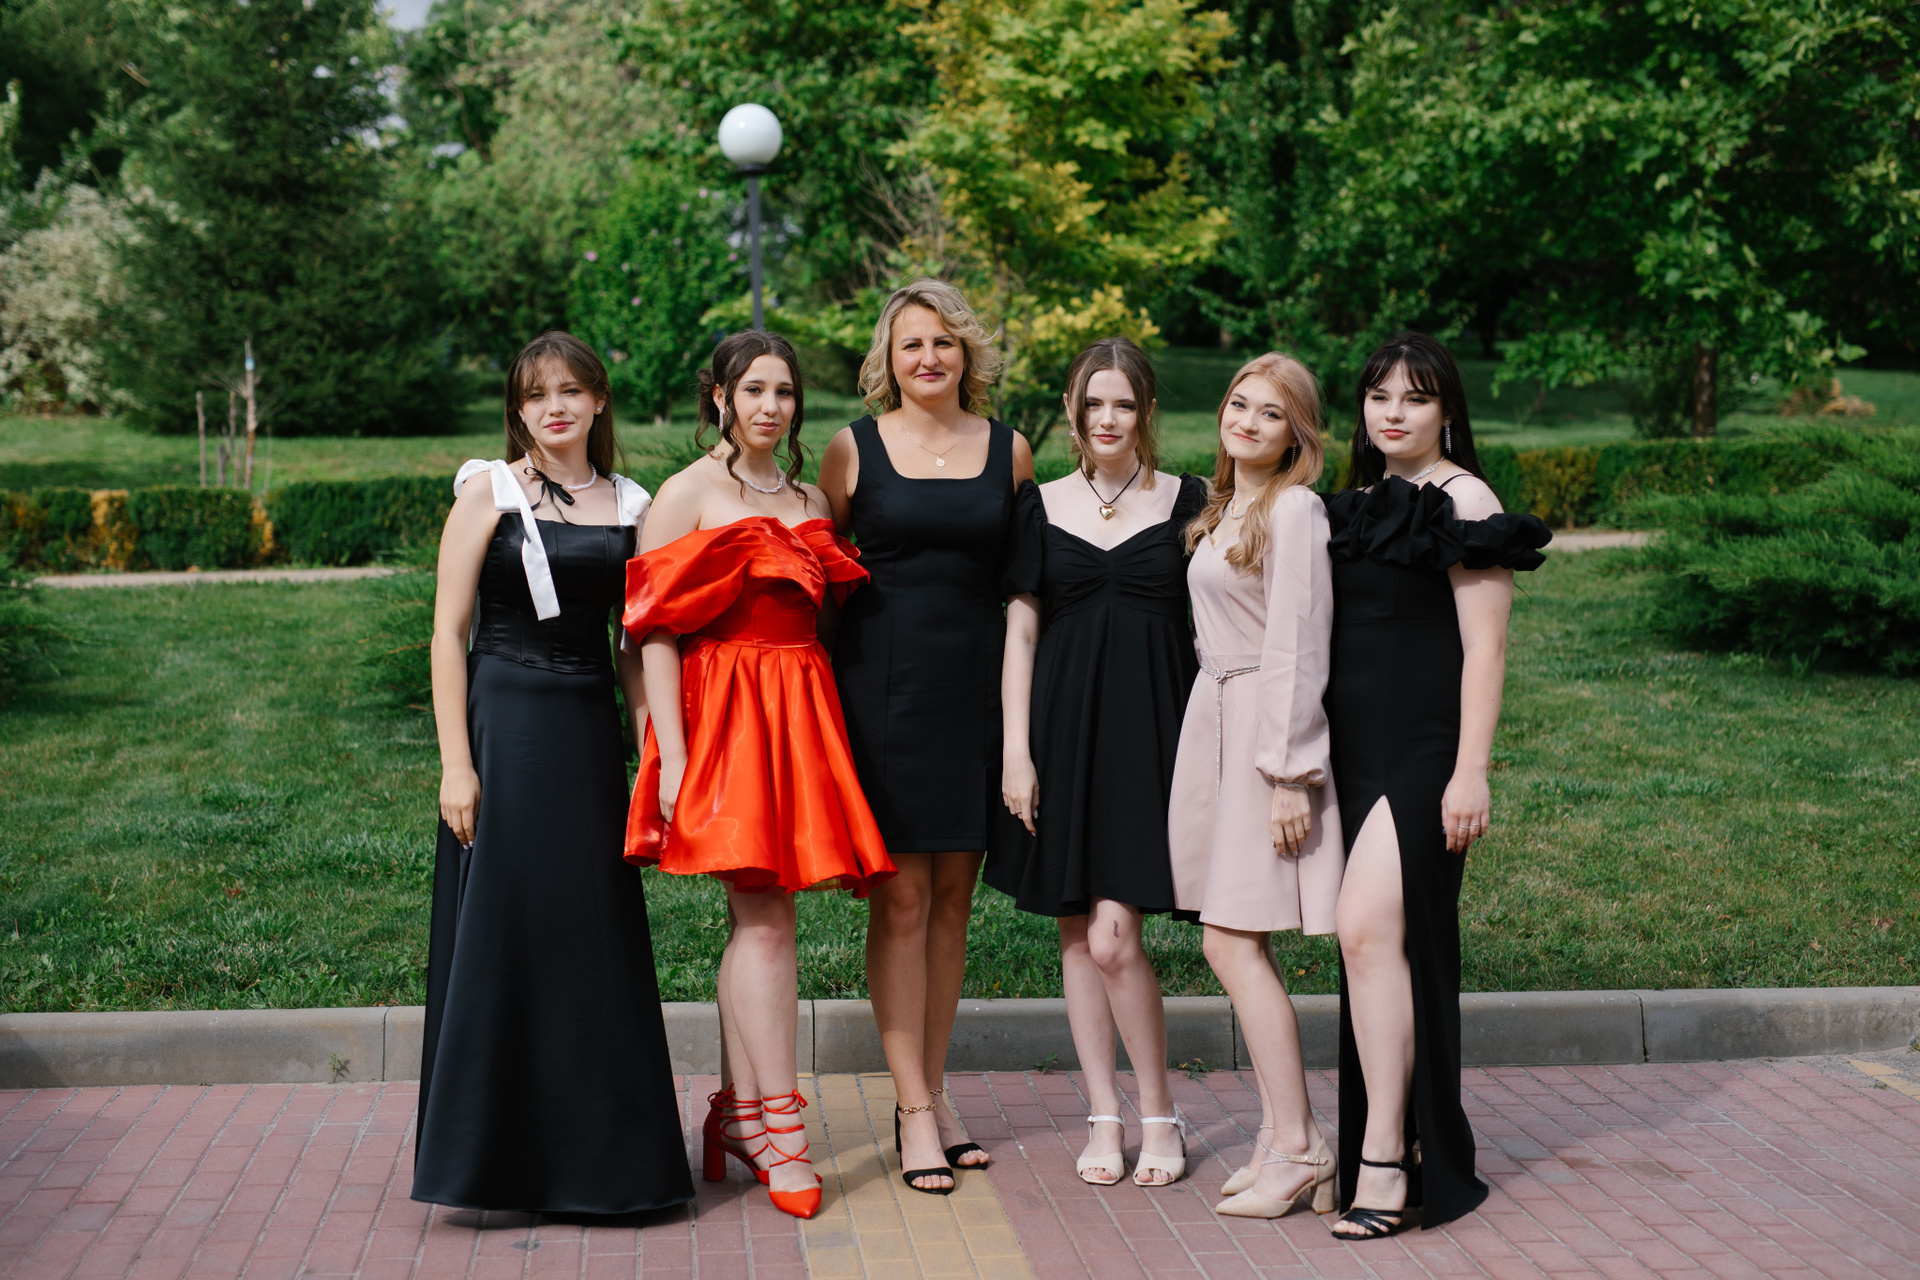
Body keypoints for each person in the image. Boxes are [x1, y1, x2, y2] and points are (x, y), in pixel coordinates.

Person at [415, 331, 691, 1216]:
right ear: (519, 410)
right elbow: (446, 633)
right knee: (507, 925)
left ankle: (605, 1165)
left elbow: (634, 646)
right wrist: (457, 764)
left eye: (570, 390)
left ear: (599, 400)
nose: (554, 407)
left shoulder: (633, 504)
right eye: (536, 395)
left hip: (585, 729)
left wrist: (654, 755)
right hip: (504, 722)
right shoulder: (487, 492)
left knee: (592, 929)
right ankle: (493, 1164)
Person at [625, 331, 894, 1222]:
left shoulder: (812, 498)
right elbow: (650, 631)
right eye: (753, 391)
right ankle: (781, 1128)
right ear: (720, 397)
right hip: (725, 717)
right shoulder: (686, 493)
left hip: (801, 711)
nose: (770, 407)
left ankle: (738, 1117)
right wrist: (672, 756)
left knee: (762, 918)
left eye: (783, 391)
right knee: (767, 918)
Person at [1325, 332, 1550, 1238]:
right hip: (1351, 752)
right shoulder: (1357, 502)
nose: (1393, 412)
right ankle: (1397, 1150)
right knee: (1375, 949)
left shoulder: (1466, 501)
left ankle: (1385, 1158)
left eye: (1414, 398)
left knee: (1363, 928)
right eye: (1380, 395)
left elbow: (1486, 648)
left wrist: (1470, 772)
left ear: (1447, 410)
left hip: (1424, 753)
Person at [819, 279, 1036, 1195]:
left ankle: (933, 1091)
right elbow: (825, 583)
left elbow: (1020, 587)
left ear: (967, 352)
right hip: (883, 697)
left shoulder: (1010, 449)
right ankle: (911, 1110)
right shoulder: (851, 449)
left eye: (944, 342)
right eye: (911, 344)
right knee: (901, 902)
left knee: (954, 904)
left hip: (977, 696)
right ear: (889, 358)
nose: (929, 358)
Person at [990, 337, 1205, 1187]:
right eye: (1092, 404)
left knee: (1115, 938)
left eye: (1123, 404)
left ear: (1146, 411)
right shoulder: (1038, 504)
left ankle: (1160, 1112)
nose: (1107, 419)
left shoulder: (1192, 501)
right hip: (1062, 730)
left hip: (1153, 733)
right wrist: (1016, 752)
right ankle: (1104, 1116)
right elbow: (1021, 634)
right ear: (1072, 412)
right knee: (1077, 935)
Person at [1167, 352, 1346, 1219]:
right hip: (1216, 719)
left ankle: (1302, 1144)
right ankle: (1281, 1137)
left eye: (1271, 413)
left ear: (1296, 435)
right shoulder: (1223, 505)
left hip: (1262, 737)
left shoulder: (1295, 509)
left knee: (1231, 943)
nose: (1247, 421)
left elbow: (1299, 644)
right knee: (1232, 940)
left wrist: (1289, 775)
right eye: (1240, 404)